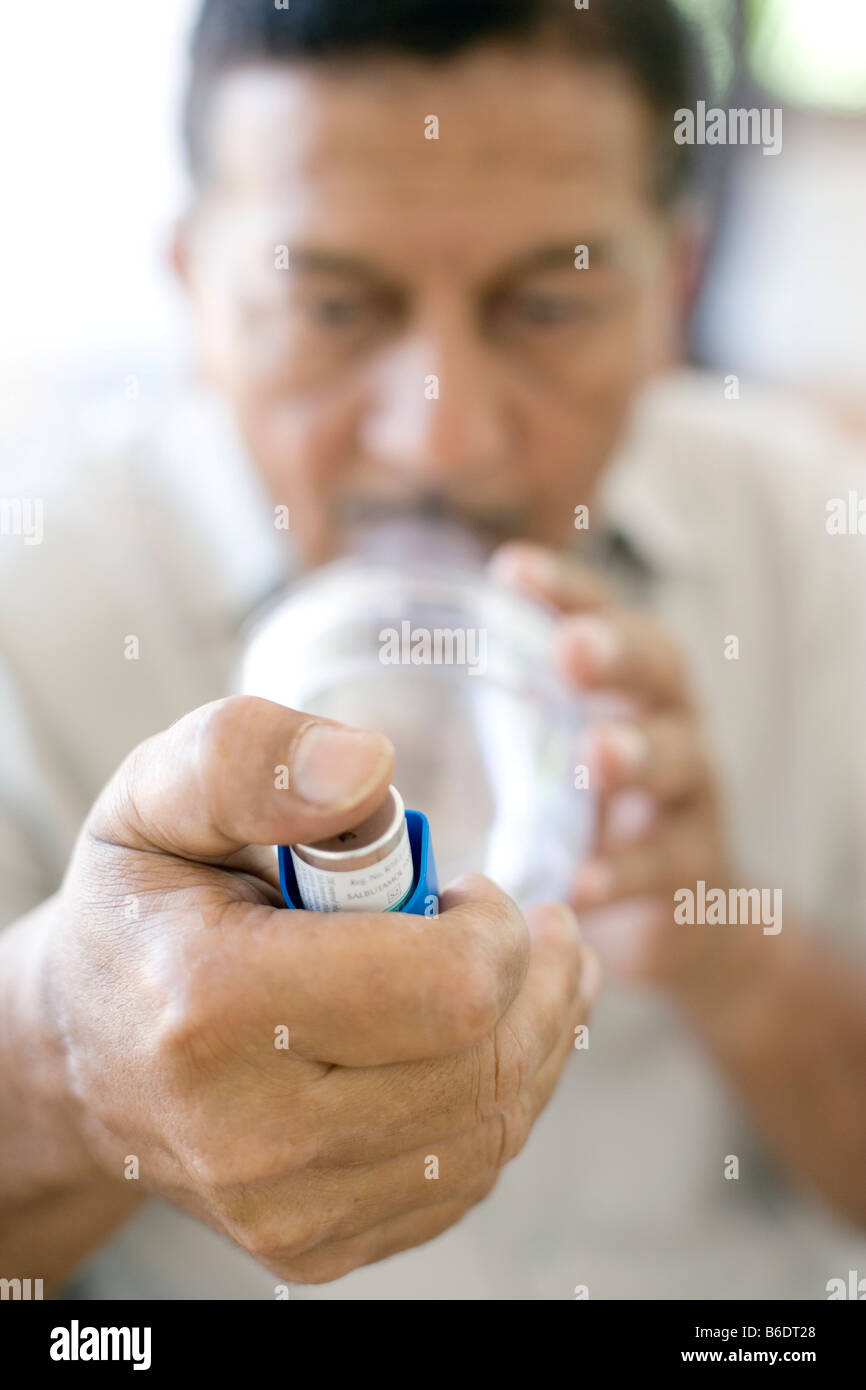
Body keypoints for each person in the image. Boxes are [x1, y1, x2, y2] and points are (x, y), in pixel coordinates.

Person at [1, 0, 865, 1301]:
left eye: (549, 308)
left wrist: (727, 948)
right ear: (193, 285)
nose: (440, 438)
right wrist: (65, 1066)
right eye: (336, 307)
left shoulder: (810, 541)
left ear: (671, 287)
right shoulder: (35, 598)